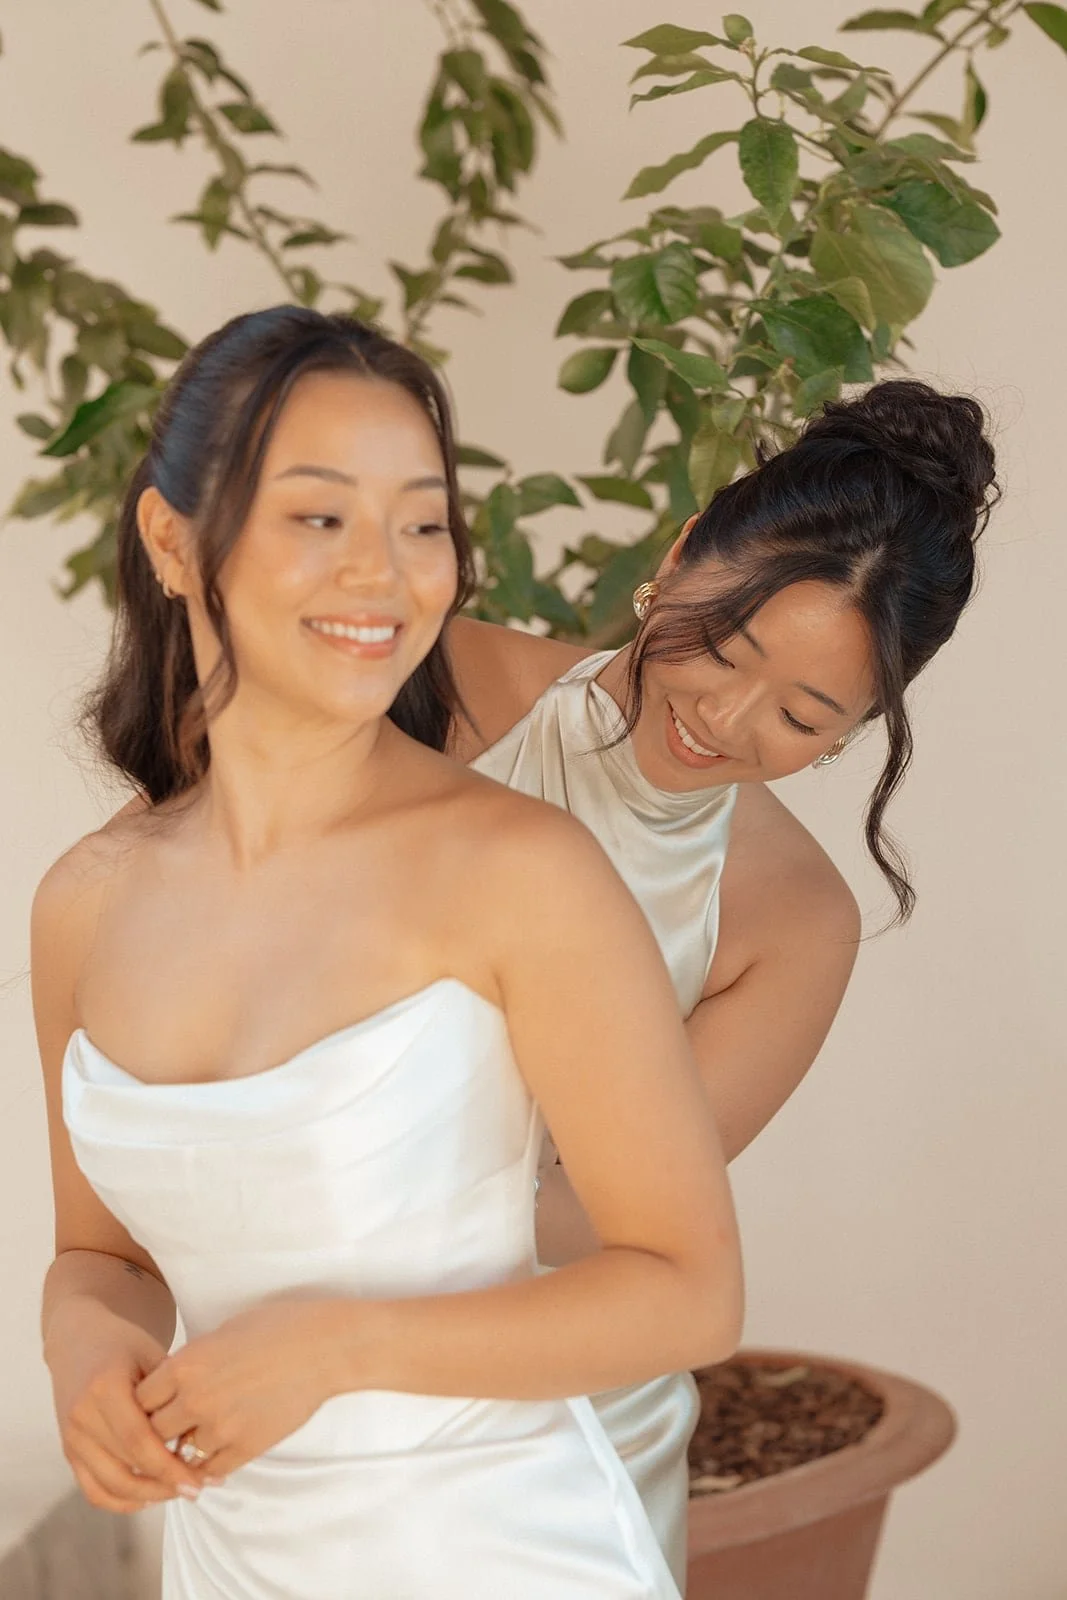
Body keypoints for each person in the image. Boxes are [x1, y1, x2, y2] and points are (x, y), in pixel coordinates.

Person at [33, 306, 743, 1600]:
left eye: (422, 525)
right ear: (172, 542)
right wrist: (83, 1353)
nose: (387, 573)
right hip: (223, 1562)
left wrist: (335, 1346)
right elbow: (104, 1259)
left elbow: (684, 1292)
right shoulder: (83, 902)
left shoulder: (518, 873)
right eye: (320, 518)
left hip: (498, 1558)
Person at [447, 378, 998, 1583]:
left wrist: (340, 1254)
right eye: (723, 644)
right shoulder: (444, 688)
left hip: (561, 1427)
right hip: (290, 1354)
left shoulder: (792, 918)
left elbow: (613, 1216)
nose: (722, 717)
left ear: (860, 727)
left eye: (802, 714)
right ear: (684, 546)